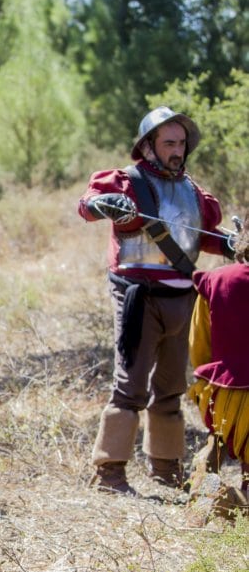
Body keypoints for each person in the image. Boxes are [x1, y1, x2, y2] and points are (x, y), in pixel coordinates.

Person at [79, 106, 234, 494]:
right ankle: (109, 472)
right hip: (138, 294)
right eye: (169, 142)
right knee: (130, 385)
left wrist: (232, 245)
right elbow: (88, 205)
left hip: (182, 296)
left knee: (170, 388)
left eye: (181, 143)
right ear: (148, 145)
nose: (176, 150)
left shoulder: (193, 191)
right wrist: (102, 205)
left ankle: (166, 467)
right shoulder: (127, 183)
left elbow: (203, 236)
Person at [187, 215, 249, 499]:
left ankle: (210, 481)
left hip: (222, 402)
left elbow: (199, 350)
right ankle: (235, 498)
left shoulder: (216, 280)